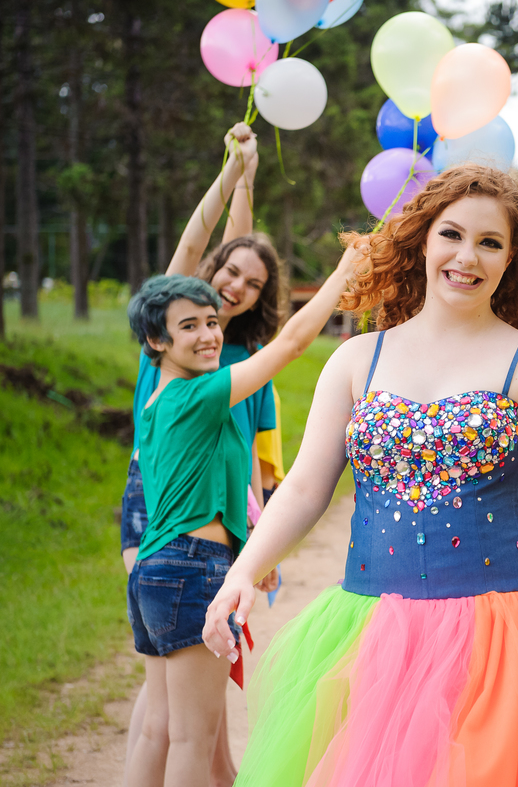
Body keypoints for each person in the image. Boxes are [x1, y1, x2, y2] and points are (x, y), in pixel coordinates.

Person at [203, 164, 518, 787]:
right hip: (375, 633)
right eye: (452, 234)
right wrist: (243, 572)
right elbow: (306, 489)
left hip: (507, 637)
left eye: (490, 242)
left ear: (512, 260)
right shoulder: (358, 359)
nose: (467, 256)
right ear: (421, 240)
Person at [123, 238, 356, 787]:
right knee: (192, 740)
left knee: (159, 729)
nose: (208, 334)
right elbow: (295, 341)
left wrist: (255, 544)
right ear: (157, 341)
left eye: (212, 321)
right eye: (189, 327)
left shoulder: (156, 398)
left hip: (155, 571)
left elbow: (230, 481)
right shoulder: (198, 396)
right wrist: (347, 267)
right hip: (191, 567)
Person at [118, 123, 280, 786]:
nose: (236, 285)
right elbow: (197, 244)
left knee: (186, 681)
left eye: (251, 283)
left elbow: (258, 463)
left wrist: (261, 540)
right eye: (229, 272)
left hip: (223, 507)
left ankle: (220, 776)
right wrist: (236, 171)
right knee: (168, 681)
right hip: (155, 503)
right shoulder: (174, 332)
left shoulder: (239, 359)